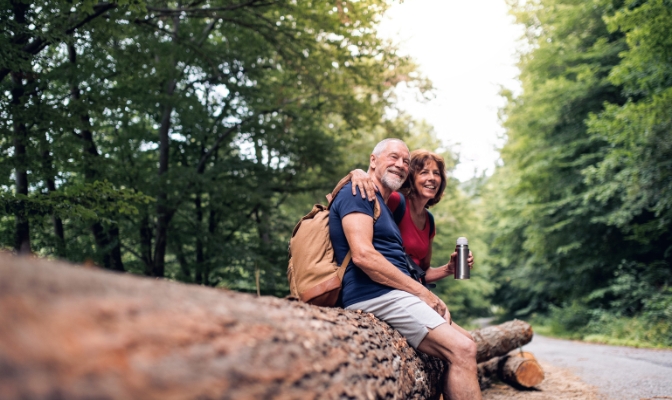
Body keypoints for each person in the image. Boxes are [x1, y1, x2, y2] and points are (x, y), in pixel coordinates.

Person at [329, 138, 481, 400]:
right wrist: (424, 293)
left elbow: (416, 269)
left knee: (468, 344)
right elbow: (364, 256)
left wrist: (445, 271)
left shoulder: (383, 203)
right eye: (393, 157)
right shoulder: (361, 191)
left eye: (405, 161)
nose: (400, 165)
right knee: (463, 349)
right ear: (373, 160)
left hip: (394, 292)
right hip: (374, 292)